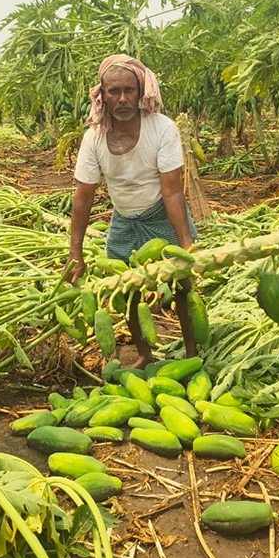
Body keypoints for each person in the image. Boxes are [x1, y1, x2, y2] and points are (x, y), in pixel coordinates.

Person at [66, 54, 198, 368]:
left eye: (130, 90)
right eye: (114, 91)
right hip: (124, 220)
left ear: (141, 93)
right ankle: (144, 354)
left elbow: (173, 189)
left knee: (183, 286)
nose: (123, 98)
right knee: (128, 290)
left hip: (160, 214)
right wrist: (75, 251)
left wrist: (185, 243)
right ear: (102, 95)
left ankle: (192, 352)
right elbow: (83, 198)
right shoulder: (93, 138)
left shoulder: (162, 128)